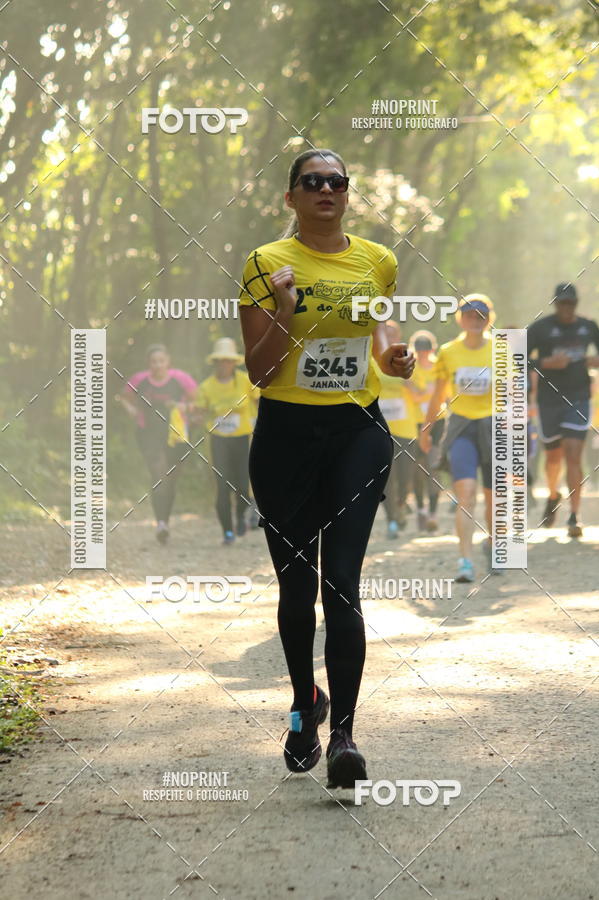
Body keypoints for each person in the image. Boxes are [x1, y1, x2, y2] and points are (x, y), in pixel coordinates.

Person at [238, 148, 415, 788]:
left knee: (341, 580)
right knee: (296, 587)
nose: (326, 190)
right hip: (285, 435)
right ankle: (304, 704)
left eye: (337, 181)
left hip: (356, 431)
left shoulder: (377, 260)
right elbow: (259, 370)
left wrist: (394, 356)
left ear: (347, 194)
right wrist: (285, 312)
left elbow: (381, 326)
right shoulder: (266, 263)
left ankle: (344, 735)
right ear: (291, 198)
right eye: (312, 182)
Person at [419, 295, 498, 583]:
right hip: (462, 427)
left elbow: (513, 395)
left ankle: (492, 542)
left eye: (481, 316)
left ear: (489, 318)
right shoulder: (449, 352)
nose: (475, 321)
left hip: (494, 427)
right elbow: (438, 394)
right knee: (466, 495)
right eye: (469, 315)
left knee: (494, 498)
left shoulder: (500, 350)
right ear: (460, 319)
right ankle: (465, 560)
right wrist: (427, 429)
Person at [527, 282, 599, 537]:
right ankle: (553, 493)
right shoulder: (540, 328)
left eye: (571, 303)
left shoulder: (588, 326)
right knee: (554, 457)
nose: (567, 308)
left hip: (579, 398)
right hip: (548, 401)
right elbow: (513, 356)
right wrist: (544, 362)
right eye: (562, 303)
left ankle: (574, 516)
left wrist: (597, 360)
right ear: (555, 304)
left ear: (576, 304)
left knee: (573, 454)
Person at [120, 345, 196, 544]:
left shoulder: (181, 379)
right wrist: (130, 409)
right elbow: (125, 397)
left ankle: (165, 520)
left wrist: (185, 408)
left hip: (176, 434)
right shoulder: (140, 380)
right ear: (149, 363)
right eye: (154, 361)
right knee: (159, 474)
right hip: (148, 433)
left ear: (168, 362)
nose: (157, 365)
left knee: (170, 479)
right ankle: (161, 523)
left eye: (161, 361)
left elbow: (197, 402)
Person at [193, 337, 258, 544]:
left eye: (228, 360)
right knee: (222, 487)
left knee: (243, 484)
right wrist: (195, 416)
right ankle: (227, 532)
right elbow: (199, 412)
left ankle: (240, 517)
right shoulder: (206, 387)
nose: (224, 364)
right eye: (220, 360)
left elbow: (260, 401)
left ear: (234, 362)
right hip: (218, 440)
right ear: (215, 362)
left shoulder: (246, 381)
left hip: (243, 438)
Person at [376, 321, 418, 537]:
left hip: (405, 427)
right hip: (381, 426)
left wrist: (409, 383)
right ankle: (392, 519)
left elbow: (421, 391)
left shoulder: (409, 357)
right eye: (386, 333)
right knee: (385, 476)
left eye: (394, 334)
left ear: (400, 335)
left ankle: (401, 505)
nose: (390, 337)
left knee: (405, 476)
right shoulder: (374, 358)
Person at [408, 329, 444, 532]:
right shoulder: (410, 367)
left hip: (439, 422)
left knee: (434, 466)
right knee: (417, 469)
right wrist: (428, 392)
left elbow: (444, 393)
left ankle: (432, 513)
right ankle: (420, 509)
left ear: (433, 349)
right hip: (415, 423)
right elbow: (413, 394)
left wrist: (426, 392)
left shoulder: (440, 366)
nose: (423, 354)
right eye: (419, 350)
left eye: (426, 350)